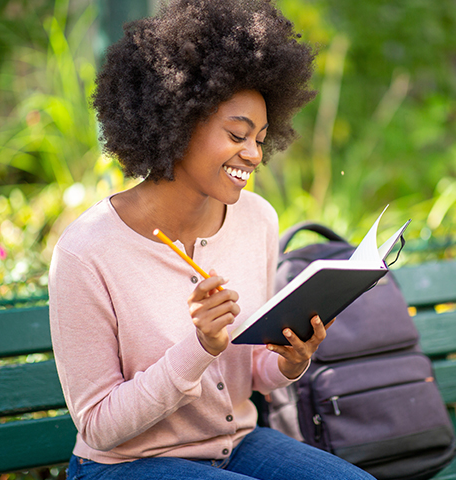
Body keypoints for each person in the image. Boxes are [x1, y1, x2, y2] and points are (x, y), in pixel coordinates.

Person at [48, 0, 376, 479]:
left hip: (238, 445)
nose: (253, 154)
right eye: (238, 134)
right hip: (127, 464)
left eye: (261, 138)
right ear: (179, 120)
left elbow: (252, 374)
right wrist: (199, 346)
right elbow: (97, 426)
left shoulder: (257, 218)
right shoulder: (87, 252)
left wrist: (288, 361)